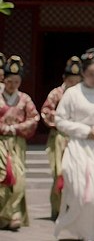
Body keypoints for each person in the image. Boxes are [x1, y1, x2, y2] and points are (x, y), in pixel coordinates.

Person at [53, 49, 94, 240]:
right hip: (78, 147)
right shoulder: (72, 94)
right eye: (91, 74)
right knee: (79, 192)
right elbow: (60, 119)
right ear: (83, 73)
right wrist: (84, 130)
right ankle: (75, 230)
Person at [40, 55, 83, 220]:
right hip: (59, 137)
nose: (74, 84)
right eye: (71, 80)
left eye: (77, 81)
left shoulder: (81, 94)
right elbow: (45, 112)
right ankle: (57, 208)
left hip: (76, 138)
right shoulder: (56, 93)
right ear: (65, 78)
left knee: (75, 174)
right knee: (59, 172)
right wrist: (60, 120)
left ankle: (73, 208)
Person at [0, 55, 40, 231]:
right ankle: (5, 214)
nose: (13, 85)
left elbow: (34, 118)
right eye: (9, 81)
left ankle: (12, 214)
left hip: (17, 142)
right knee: (3, 176)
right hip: (0, 141)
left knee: (18, 178)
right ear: (4, 79)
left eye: (16, 82)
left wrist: (17, 128)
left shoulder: (25, 99)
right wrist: (4, 128)